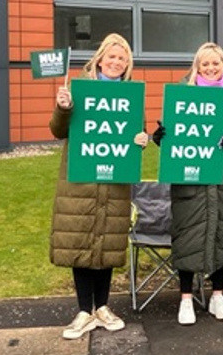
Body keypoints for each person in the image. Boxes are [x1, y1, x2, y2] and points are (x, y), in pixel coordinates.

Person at [49, 33, 150, 340]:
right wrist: (63, 107)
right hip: (81, 184)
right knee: (80, 242)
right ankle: (84, 311)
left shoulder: (130, 96)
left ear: (127, 64)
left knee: (106, 243)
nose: (116, 62)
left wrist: (141, 139)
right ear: (100, 59)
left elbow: (138, 133)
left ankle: (103, 307)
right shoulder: (79, 89)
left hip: (114, 185)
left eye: (122, 58)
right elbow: (58, 130)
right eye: (112, 56)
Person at [151, 42, 223, 325]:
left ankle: (218, 295)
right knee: (188, 233)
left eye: (215, 63)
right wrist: (161, 135)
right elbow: (168, 137)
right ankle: (185, 299)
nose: (210, 68)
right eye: (205, 63)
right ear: (197, 66)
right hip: (189, 178)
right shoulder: (183, 94)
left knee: (221, 232)